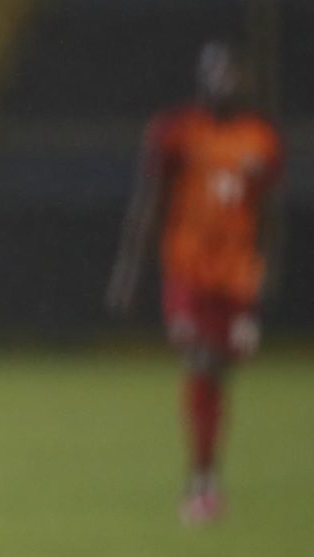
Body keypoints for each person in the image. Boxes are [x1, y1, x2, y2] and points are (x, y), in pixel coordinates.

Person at [107, 41, 284, 524]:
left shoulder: (260, 138)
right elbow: (150, 201)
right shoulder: (177, 132)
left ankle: (205, 474)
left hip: (236, 277)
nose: (229, 82)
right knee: (202, 360)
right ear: (202, 76)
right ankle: (201, 484)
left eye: (236, 74)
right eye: (219, 72)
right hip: (187, 269)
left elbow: (267, 213)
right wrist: (129, 270)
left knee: (219, 371)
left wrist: (266, 273)